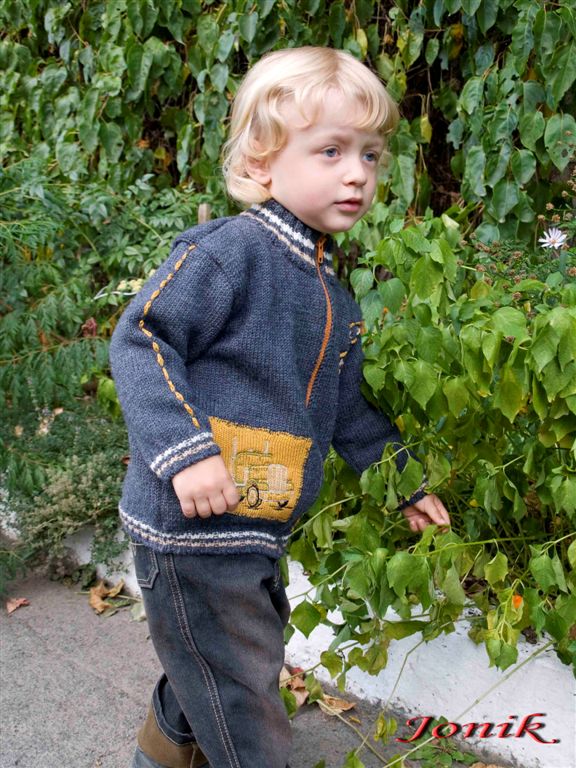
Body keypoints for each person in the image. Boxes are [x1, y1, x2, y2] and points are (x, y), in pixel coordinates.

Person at [110, 46, 450, 768]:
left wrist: (405, 481)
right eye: (331, 151)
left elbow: (348, 412)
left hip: (256, 526)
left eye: (370, 155)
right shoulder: (230, 253)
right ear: (262, 162)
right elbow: (142, 337)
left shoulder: (333, 296)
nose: (357, 173)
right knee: (245, 701)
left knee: (218, 667)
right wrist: (185, 453)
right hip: (191, 530)